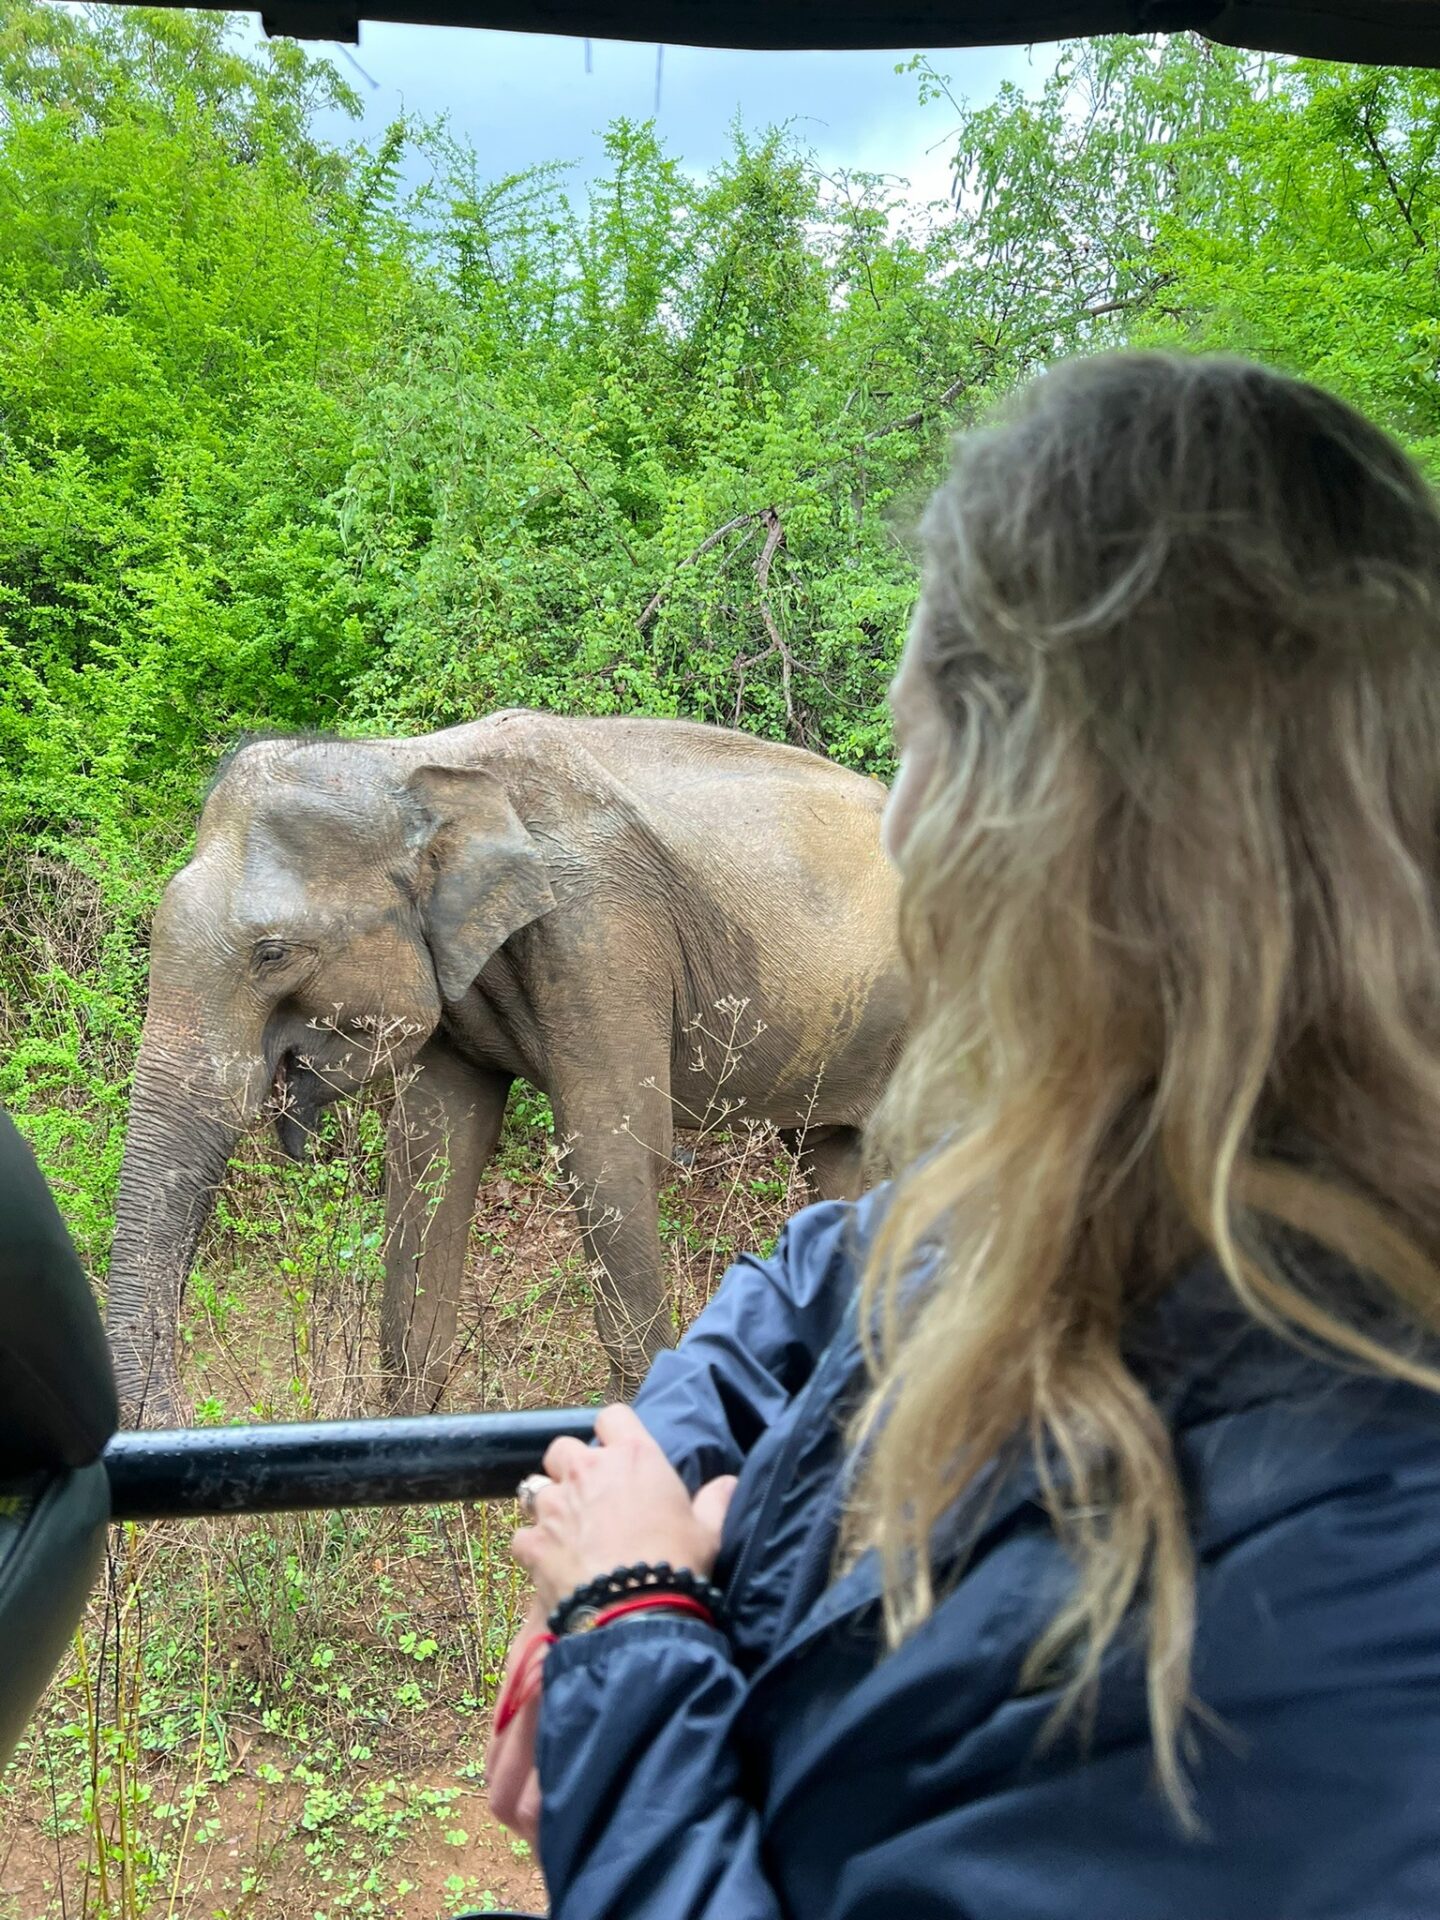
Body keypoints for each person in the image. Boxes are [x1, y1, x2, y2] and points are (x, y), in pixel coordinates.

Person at [492, 352, 1440, 1919]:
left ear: (1042, 836)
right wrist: (676, 1452)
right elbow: (846, 1259)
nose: (898, 836)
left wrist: (632, 1621)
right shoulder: (1154, 1193)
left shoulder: (1339, 1607)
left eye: (914, 750)